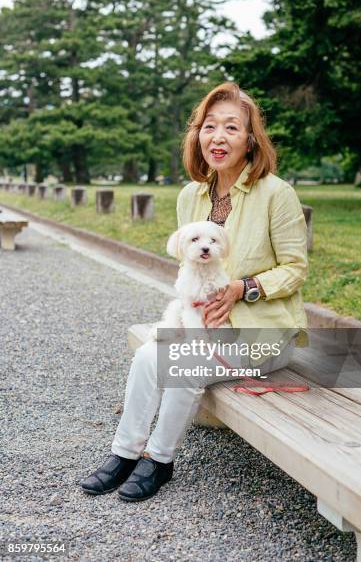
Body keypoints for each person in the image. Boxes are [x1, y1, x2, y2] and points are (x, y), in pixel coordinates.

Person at [81, 82, 308, 502]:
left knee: (184, 361)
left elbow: (296, 269)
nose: (217, 137)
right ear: (197, 135)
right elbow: (191, 265)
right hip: (203, 326)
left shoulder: (277, 193)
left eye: (231, 128)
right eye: (209, 126)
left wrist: (243, 289)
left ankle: (160, 460)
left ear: (251, 139)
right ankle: (125, 452)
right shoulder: (191, 196)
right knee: (149, 354)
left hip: (262, 333)